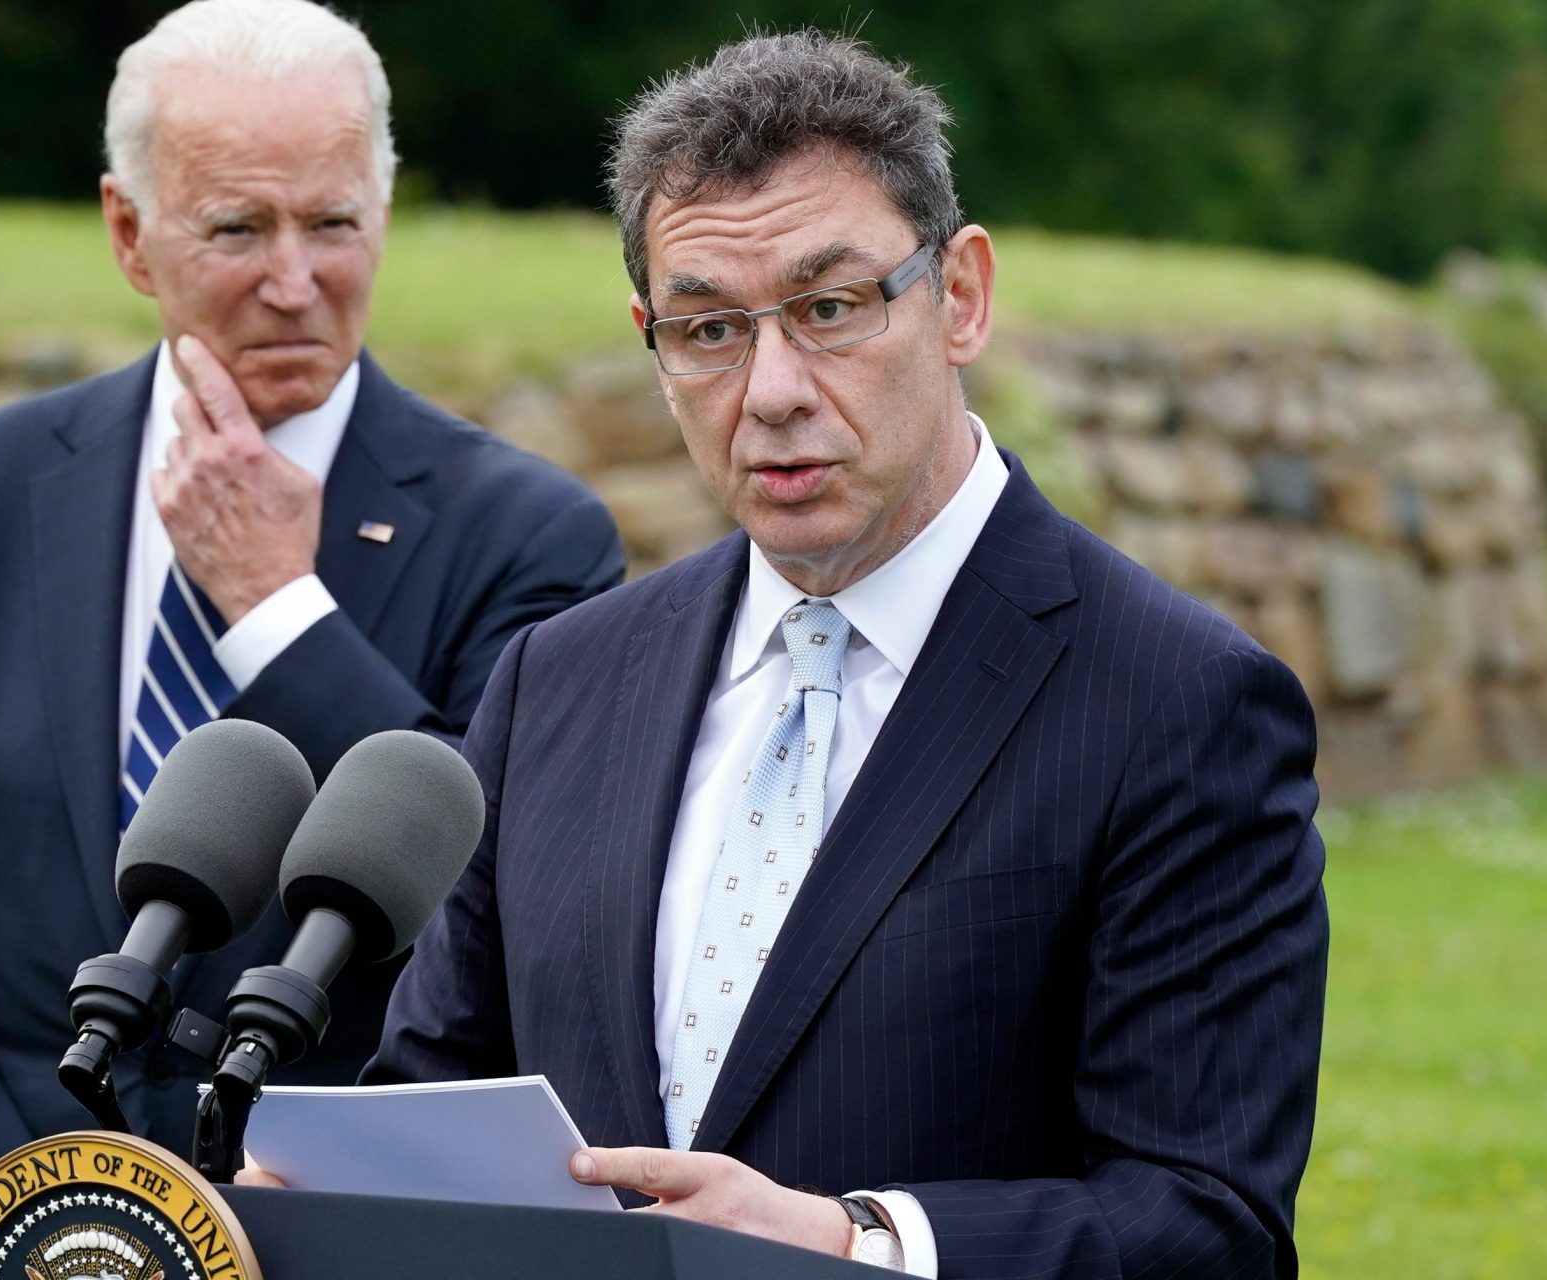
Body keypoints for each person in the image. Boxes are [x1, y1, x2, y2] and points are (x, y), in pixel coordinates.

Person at [363, 32, 1327, 1279]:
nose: (769, 390)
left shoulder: (1179, 701)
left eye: (828, 309)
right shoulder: (558, 678)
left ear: (960, 296)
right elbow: (437, 1104)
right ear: (650, 338)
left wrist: (852, 1241)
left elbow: (1209, 1226)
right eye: (707, 329)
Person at [0, 0, 624, 1167]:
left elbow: (501, 907)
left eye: (332, 221)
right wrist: (3, 1214)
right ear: (130, 233)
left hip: (335, 1217)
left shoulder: (530, 536)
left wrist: (278, 608)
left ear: (383, 211)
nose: (295, 280)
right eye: (237, 229)